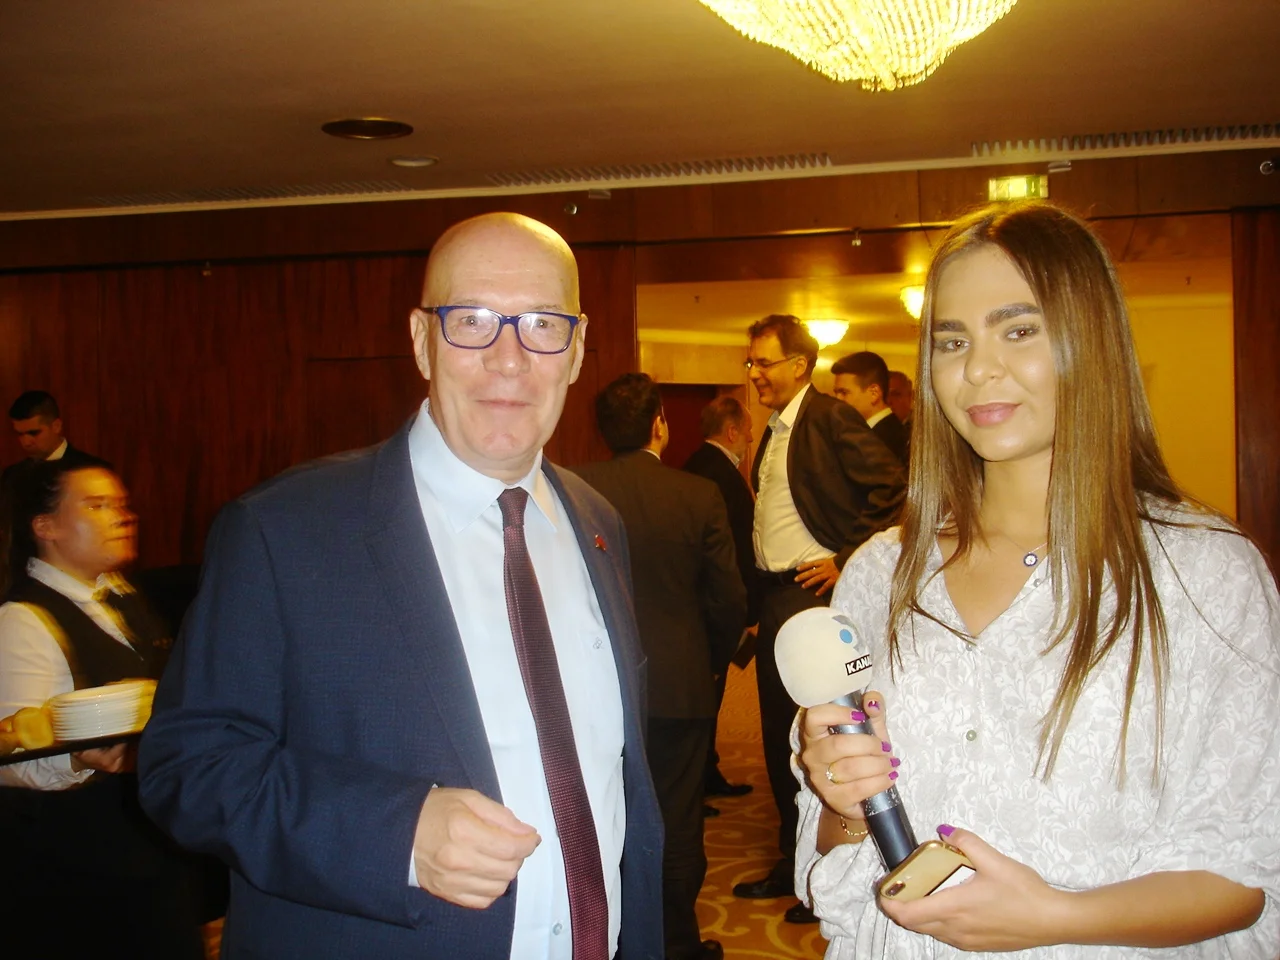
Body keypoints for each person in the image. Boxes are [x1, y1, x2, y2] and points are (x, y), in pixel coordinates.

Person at [138, 213, 664, 959]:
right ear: (421, 340)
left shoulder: (597, 522)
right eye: (472, 321)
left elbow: (614, 777)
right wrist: (398, 835)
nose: (508, 359)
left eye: (542, 324)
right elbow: (189, 767)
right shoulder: (284, 530)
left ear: (577, 351)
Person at [795, 201, 1280, 958]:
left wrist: (1055, 917)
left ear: (1091, 339)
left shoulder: (1203, 574)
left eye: (1018, 330)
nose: (977, 369)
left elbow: (1247, 872)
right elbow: (832, 846)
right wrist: (843, 804)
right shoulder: (881, 573)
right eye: (952, 341)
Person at [733, 315, 905, 924]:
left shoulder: (827, 417)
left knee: (817, 738)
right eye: (752, 362)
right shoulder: (779, 427)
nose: (755, 373)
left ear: (799, 365)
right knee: (783, 736)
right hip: (779, 598)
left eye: (764, 362)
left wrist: (845, 558)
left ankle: (816, 869)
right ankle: (796, 861)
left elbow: (894, 485)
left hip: (810, 600)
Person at [0, 459, 204, 958]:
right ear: (45, 527)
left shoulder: (124, 595)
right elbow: (9, 751)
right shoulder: (21, 620)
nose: (122, 516)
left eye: (121, 504)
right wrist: (75, 757)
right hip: (76, 873)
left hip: (151, 850)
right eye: (97, 505)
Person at [573, 373, 746, 960]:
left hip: (595, 687)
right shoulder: (697, 494)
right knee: (676, 819)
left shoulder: (571, 490)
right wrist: (710, 662)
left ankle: (618, 940)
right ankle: (675, 944)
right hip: (679, 685)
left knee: (603, 813)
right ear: (659, 425)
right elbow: (728, 600)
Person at [683, 396, 757, 800]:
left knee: (706, 698)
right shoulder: (720, 476)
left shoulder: (693, 465)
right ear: (731, 432)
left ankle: (704, 774)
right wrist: (741, 607)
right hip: (713, 607)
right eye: (747, 431)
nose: (750, 439)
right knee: (706, 698)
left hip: (697, 602)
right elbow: (733, 550)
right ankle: (700, 780)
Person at [1, 391, 105, 598]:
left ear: (56, 426)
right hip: (22, 584)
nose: (26, 442)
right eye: (20, 434)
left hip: (79, 583)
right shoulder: (12, 475)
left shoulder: (91, 471)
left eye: (34, 433)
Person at [831, 351, 910, 466]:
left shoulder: (886, 440)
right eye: (836, 393)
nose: (837, 400)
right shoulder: (870, 433)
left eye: (844, 392)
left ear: (874, 393)